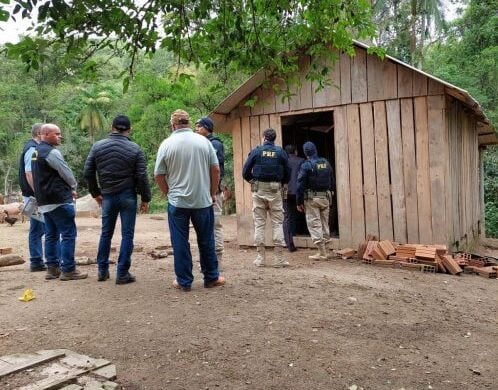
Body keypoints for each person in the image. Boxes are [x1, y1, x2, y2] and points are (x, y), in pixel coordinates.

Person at [154, 109, 225, 291]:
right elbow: (215, 169)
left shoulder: (167, 144)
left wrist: (167, 192)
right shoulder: (203, 142)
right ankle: (211, 277)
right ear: (188, 123)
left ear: (173, 125)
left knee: (180, 241)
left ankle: (184, 281)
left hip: (177, 202)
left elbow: (158, 174)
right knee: (206, 239)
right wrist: (211, 192)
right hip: (202, 200)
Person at [84, 115, 151, 284]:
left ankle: (102, 270)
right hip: (128, 195)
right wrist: (145, 198)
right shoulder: (135, 149)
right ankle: (122, 273)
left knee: (106, 233)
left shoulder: (97, 146)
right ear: (129, 130)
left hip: (107, 195)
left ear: (112, 127)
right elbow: (142, 176)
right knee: (127, 235)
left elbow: (88, 171)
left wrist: (95, 193)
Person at [32, 124, 87, 280]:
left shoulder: (36, 152)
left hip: (44, 202)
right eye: (57, 134)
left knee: (51, 235)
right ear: (46, 134)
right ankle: (69, 270)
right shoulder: (51, 152)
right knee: (68, 234)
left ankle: (52, 268)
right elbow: (65, 172)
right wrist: (73, 186)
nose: (60, 136)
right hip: (59, 200)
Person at [242, 128, 291, 267]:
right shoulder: (280, 152)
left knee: (259, 223)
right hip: (275, 190)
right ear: (274, 139)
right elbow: (288, 171)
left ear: (264, 137)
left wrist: (252, 181)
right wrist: (282, 183)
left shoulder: (256, 151)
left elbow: (245, 171)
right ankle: (279, 259)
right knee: (277, 223)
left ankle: (260, 258)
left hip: (258, 190)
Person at [296, 141, 335, 261]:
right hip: (325, 198)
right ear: (315, 150)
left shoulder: (306, 165)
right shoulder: (325, 162)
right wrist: (331, 192)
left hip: (312, 199)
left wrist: (299, 201)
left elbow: (300, 185)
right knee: (324, 224)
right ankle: (327, 251)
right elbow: (332, 180)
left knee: (314, 224)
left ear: (305, 152)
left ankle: (321, 253)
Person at [195, 116, 225, 269]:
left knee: (215, 225)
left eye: (199, 126)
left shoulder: (215, 144)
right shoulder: (200, 143)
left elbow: (217, 169)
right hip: (201, 191)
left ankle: (217, 260)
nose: (196, 128)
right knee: (203, 226)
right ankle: (206, 260)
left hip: (213, 191)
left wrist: (214, 189)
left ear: (207, 128)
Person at [19, 123, 46, 272]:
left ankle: (39, 260)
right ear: (38, 134)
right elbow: (29, 173)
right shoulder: (32, 149)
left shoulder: (33, 148)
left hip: (32, 195)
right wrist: (37, 192)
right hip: (33, 196)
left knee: (40, 227)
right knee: (37, 228)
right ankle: (36, 261)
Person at [283, 144, 305, 252]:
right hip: (297, 192)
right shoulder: (301, 161)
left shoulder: (283, 161)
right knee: (298, 213)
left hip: (285, 192)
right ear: (295, 151)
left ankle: (289, 244)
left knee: (287, 217)